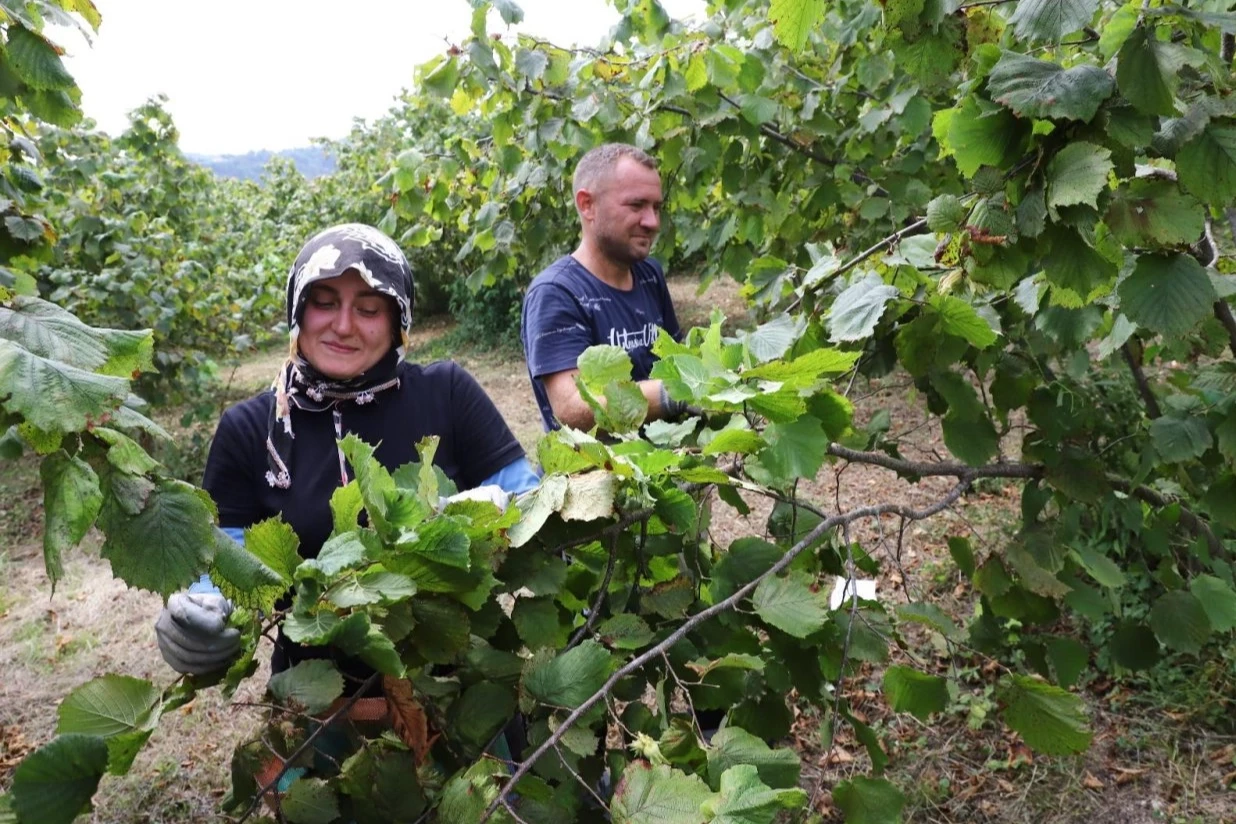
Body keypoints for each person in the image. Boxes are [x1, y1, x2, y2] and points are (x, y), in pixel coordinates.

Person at [155, 223, 540, 679]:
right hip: (318, 701)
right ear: (298, 308)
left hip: (463, 683)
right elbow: (222, 564)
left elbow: (530, 497)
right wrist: (198, 617)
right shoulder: (250, 429)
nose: (343, 325)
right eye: (324, 302)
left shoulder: (447, 393)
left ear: (399, 321)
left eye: (369, 308)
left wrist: (491, 511)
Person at [521, 143, 686, 432]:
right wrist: (675, 394)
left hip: (664, 462)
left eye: (656, 207)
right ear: (587, 205)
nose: (652, 222)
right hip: (595, 474)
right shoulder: (556, 293)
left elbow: (679, 359)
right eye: (636, 205)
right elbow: (572, 408)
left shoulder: (650, 274)